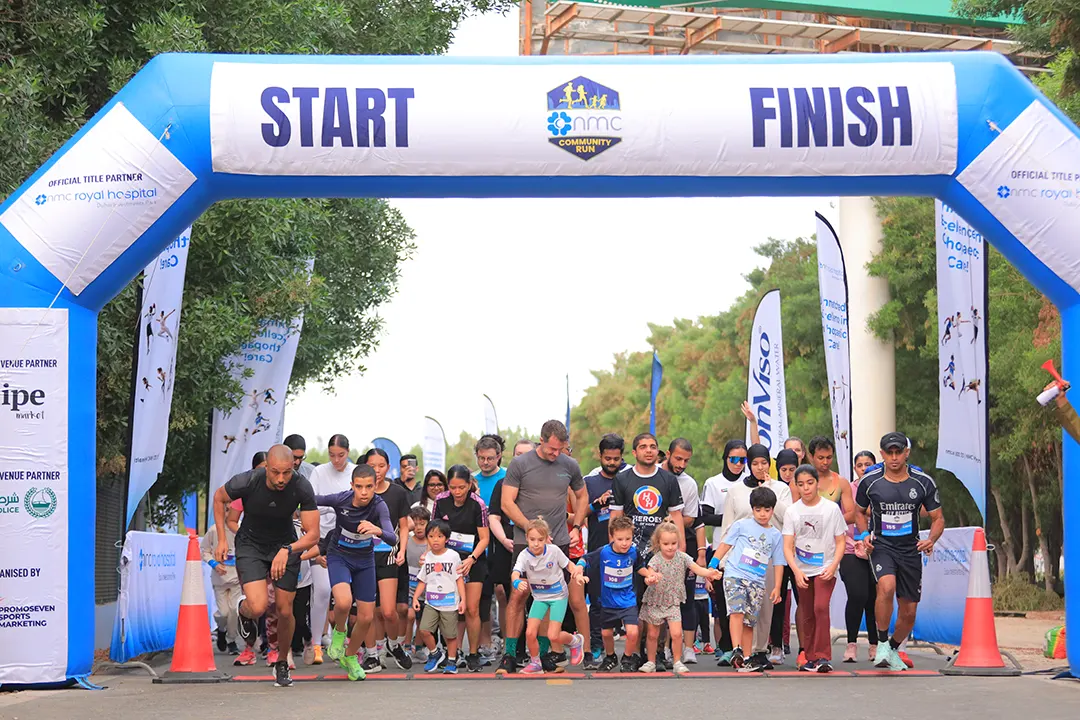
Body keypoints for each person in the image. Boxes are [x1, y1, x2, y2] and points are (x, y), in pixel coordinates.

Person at [212, 444, 320, 687]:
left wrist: (288, 550)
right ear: (267, 468)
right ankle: (244, 611)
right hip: (251, 545)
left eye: (286, 472)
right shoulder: (249, 481)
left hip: (284, 546)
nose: (281, 479)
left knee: (284, 609)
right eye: (275, 472)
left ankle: (282, 662)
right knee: (259, 606)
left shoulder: (301, 486)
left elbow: (313, 534)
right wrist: (220, 539)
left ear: (294, 467)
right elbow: (219, 498)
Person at [497, 420, 588, 675]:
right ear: (541, 439)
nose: (555, 454)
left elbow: (583, 496)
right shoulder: (520, 464)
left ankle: (546, 655)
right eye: (551, 449)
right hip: (526, 541)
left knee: (550, 596)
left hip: (557, 541)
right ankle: (510, 655)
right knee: (518, 595)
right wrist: (532, 531)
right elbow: (507, 503)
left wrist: (577, 526)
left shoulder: (569, 465)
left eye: (560, 450)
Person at [854, 432, 945, 672]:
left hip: (910, 548)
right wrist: (865, 537)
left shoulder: (923, 481)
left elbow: (938, 518)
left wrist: (931, 540)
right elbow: (858, 513)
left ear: (907, 453)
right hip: (882, 545)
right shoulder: (869, 480)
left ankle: (891, 649)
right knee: (886, 586)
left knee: (909, 612)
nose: (894, 458)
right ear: (882, 454)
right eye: (889, 453)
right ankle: (882, 642)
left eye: (898, 452)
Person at [314, 463, 398, 681]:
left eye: (368, 487)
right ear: (351, 485)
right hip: (339, 556)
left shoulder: (379, 506)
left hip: (364, 561)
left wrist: (376, 529)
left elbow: (392, 537)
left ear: (375, 485)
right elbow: (313, 500)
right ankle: (339, 634)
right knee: (342, 602)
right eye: (359, 487)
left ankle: (351, 657)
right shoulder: (341, 499)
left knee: (366, 617)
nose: (363, 492)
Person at [718, 443, 791, 670]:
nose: (760, 467)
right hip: (738, 560)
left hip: (767, 557)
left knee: (764, 607)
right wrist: (721, 560)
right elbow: (728, 526)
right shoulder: (736, 491)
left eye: (764, 463)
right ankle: (738, 650)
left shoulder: (781, 489)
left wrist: (771, 490)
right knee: (738, 609)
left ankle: (759, 651)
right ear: (748, 465)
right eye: (755, 463)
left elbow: (787, 518)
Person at [710, 486, 786, 673]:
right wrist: (711, 567)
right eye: (758, 510)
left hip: (758, 581)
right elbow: (724, 546)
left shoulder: (775, 534)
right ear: (752, 509)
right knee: (736, 612)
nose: (762, 514)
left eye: (767, 510)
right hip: (735, 575)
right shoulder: (741, 525)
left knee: (749, 621)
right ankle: (735, 649)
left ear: (772, 510)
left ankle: (746, 656)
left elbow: (778, 563)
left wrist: (776, 586)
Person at [782, 464, 847, 673]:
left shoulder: (831, 509)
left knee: (820, 607)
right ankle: (809, 657)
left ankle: (823, 656)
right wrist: (796, 571)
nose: (806, 488)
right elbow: (787, 545)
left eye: (810, 483)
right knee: (807, 612)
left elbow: (840, 541)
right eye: (801, 484)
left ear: (817, 483)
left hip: (826, 567)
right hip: (802, 569)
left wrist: (834, 565)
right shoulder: (792, 511)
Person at [638, 522, 721, 674]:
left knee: (677, 633)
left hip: (674, 601)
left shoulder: (683, 557)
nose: (670, 547)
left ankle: (677, 661)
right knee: (652, 634)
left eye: (674, 543)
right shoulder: (655, 559)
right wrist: (650, 579)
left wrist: (710, 573)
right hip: (655, 600)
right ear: (658, 543)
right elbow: (648, 574)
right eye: (666, 544)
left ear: (679, 542)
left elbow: (696, 568)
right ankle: (650, 661)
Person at [431, 464, 490, 672]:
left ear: (469, 485)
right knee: (451, 609)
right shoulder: (440, 501)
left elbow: (485, 538)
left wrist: (472, 559)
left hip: (472, 560)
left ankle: (473, 653)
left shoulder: (478, 504)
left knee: (472, 608)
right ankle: (452, 654)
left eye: (462, 488)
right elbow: (434, 531)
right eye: (453, 488)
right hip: (448, 561)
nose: (457, 492)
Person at [511, 518, 586, 674]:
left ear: (546, 539)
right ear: (526, 538)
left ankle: (575, 641)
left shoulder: (554, 551)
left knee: (553, 635)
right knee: (530, 633)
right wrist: (517, 582)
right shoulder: (524, 555)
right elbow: (515, 572)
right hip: (539, 597)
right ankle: (535, 663)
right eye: (532, 540)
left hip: (558, 596)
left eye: (540, 540)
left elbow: (569, 565)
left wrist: (577, 574)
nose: (536, 544)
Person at [305, 434, 355, 663]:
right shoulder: (319, 472)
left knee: (344, 598)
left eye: (341, 455)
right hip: (322, 538)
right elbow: (310, 506)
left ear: (348, 452)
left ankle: (339, 638)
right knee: (322, 591)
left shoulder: (355, 472)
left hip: (348, 541)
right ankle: (316, 643)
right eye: (332, 455)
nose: (336, 460)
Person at [577, 516, 648, 672]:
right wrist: (579, 568)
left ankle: (627, 658)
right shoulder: (603, 552)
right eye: (620, 539)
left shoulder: (634, 552)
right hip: (608, 601)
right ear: (612, 537)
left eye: (628, 539)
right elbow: (585, 558)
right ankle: (610, 657)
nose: (624, 543)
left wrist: (649, 575)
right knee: (606, 633)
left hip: (628, 600)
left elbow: (639, 567)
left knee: (632, 631)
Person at [363, 447, 412, 672]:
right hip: (364, 556)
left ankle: (394, 644)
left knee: (389, 611)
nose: (377, 470)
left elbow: (404, 525)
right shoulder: (359, 492)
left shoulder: (397, 493)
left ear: (388, 467)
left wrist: (402, 549)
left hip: (389, 556)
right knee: (370, 610)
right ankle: (373, 654)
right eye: (372, 466)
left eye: (381, 466)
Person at [700, 439, 747, 661]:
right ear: (725, 459)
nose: (738, 464)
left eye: (742, 460)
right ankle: (727, 647)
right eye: (734, 459)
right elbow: (705, 516)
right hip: (722, 550)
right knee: (723, 601)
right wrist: (733, 518)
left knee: (744, 604)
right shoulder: (713, 483)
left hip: (747, 552)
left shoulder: (751, 483)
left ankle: (746, 647)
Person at [661, 438, 705, 666]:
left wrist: (673, 521)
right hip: (655, 546)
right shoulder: (654, 476)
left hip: (681, 544)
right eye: (678, 458)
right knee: (660, 601)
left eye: (686, 460)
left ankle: (688, 648)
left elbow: (691, 518)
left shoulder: (689, 483)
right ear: (668, 454)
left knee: (686, 599)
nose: (681, 464)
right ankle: (664, 648)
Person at [582, 433, 624, 666]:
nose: (611, 463)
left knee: (626, 601)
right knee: (597, 602)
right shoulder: (590, 483)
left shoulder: (628, 479)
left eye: (616, 459)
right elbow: (578, 515)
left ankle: (630, 650)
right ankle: (596, 645)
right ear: (600, 456)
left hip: (625, 551)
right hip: (598, 549)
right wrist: (596, 503)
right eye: (607, 458)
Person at [609, 433, 685, 554]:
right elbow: (616, 516)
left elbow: (676, 515)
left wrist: (681, 549)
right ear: (634, 453)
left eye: (653, 447)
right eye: (643, 447)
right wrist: (613, 549)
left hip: (661, 549)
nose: (649, 450)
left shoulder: (669, 479)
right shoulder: (621, 479)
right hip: (630, 548)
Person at [412, 518, 467, 674]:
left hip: (449, 602)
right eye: (431, 536)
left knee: (450, 635)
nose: (435, 540)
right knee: (424, 630)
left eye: (439, 536)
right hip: (431, 601)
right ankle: (435, 654)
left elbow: (459, 579)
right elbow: (423, 579)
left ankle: (451, 660)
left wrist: (463, 600)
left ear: (447, 539)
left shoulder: (453, 556)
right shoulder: (427, 557)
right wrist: (416, 597)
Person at [841, 450, 879, 663]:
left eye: (868, 464)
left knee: (874, 598)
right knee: (857, 594)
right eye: (860, 465)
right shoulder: (848, 489)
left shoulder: (882, 487)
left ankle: (875, 645)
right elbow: (840, 518)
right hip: (850, 549)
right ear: (854, 468)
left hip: (877, 550)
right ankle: (851, 643)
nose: (864, 468)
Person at [474, 434, 507, 665]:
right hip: (478, 547)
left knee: (503, 594)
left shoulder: (507, 478)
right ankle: (486, 644)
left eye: (490, 458)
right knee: (483, 598)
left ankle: (507, 639)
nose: (485, 462)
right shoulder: (471, 481)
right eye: (481, 458)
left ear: (499, 456)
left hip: (502, 542)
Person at [769, 447, 801, 663]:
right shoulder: (774, 487)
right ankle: (776, 646)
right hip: (776, 553)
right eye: (783, 469)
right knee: (777, 600)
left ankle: (806, 648)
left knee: (804, 601)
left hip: (799, 554)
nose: (788, 473)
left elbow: (791, 515)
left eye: (792, 469)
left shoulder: (804, 487)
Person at [201, 518, 240, 655]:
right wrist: (214, 564)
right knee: (223, 612)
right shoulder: (213, 530)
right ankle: (221, 629)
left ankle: (232, 641)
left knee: (234, 611)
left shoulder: (241, 529)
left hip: (237, 577)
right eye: (226, 510)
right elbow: (204, 550)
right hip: (220, 578)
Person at [404, 506, 430, 661]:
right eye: (416, 523)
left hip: (426, 586)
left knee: (423, 618)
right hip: (409, 584)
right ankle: (406, 646)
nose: (419, 527)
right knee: (409, 615)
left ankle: (419, 647)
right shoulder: (407, 540)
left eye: (423, 523)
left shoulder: (431, 543)